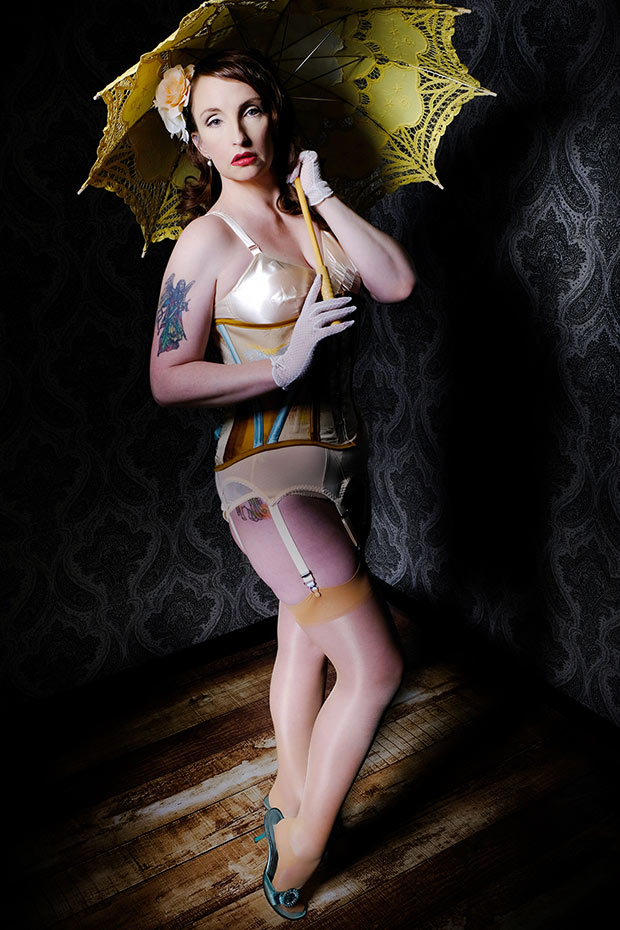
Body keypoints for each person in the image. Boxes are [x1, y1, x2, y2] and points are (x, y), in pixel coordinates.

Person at [150, 48, 415, 920]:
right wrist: (281, 364)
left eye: (250, 110)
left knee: (302, 639)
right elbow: (166, 377)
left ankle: (288, 793)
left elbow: (395, 281)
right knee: (374, 666)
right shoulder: (206, 239)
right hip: (269, 480)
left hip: (341, 459)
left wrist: (324, 194)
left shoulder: (306, 214)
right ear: (194, 140)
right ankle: (300, 850)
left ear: (275, 115)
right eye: (212, 119)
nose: (236, 133)